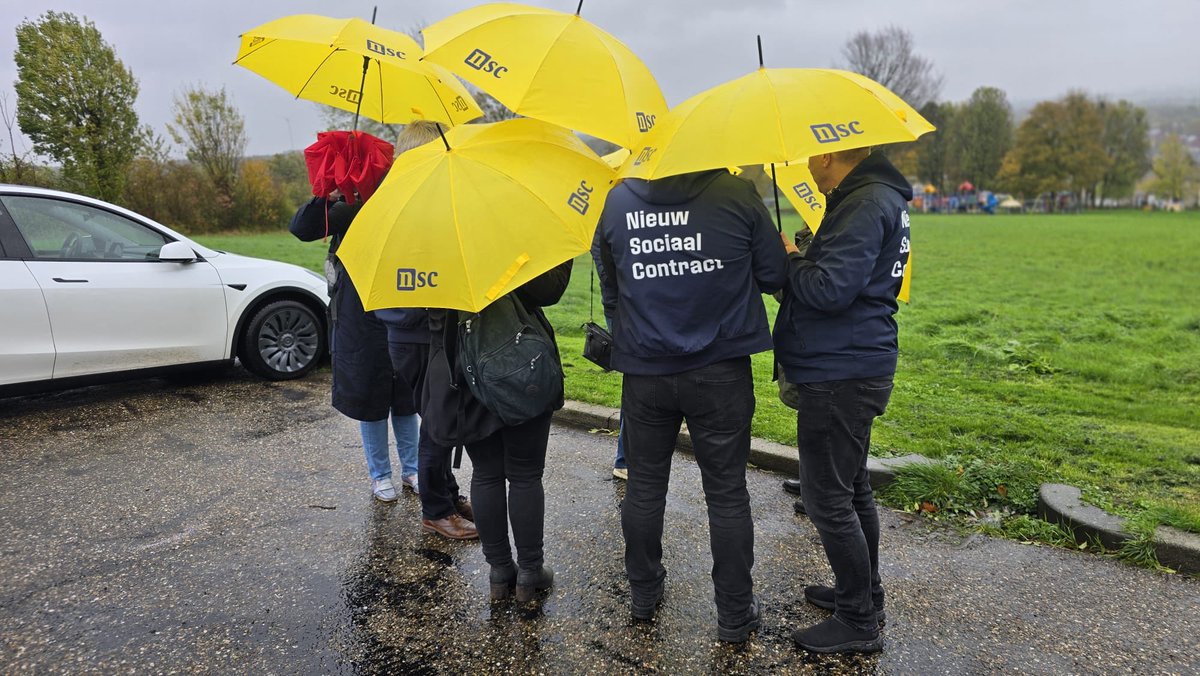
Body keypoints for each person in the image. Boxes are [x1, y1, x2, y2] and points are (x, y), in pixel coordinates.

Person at [593, 168, 788, 643]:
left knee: (643, 486)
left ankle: (643, 592)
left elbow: (610, 284)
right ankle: (735, 613)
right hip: (720, 367)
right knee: (726, 493)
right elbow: (774, 277)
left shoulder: (616, 202)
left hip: (645, 369)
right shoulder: (737, 195)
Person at [773, 146, 912, 654]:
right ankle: (863, 594)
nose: (806, 163)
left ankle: (857, 621)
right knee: (852, 489)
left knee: (826, 496)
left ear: (832, 154)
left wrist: (791, 260)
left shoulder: (863, 203)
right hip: (854, 363)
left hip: (841, 371)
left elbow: (830, 290)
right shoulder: (869, 197)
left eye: (812, 154)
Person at [421, 261, 572, 603]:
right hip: (519, 365)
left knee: (487, 473)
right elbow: (549, 290)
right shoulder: (511, 228)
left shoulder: (436, 236)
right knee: (525, 475)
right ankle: (530, 573)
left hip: (462, 369)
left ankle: (500, 572)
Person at [288, 170, 419, 504]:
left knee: (406, 394)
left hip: (401, 302)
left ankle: (413, 469)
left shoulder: (403, 199)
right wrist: (326, 197)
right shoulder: (347, 207)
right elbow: (303, 228)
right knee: (369, 394)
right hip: (358, 314)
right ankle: (380, 475)